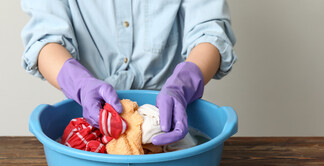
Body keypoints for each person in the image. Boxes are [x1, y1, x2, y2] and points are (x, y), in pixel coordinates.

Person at [21, 0, 237, 145]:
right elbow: (44, 40)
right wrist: (80, 85)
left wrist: (183, 84)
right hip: (88, 122)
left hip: (172, 122)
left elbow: (210, 33)